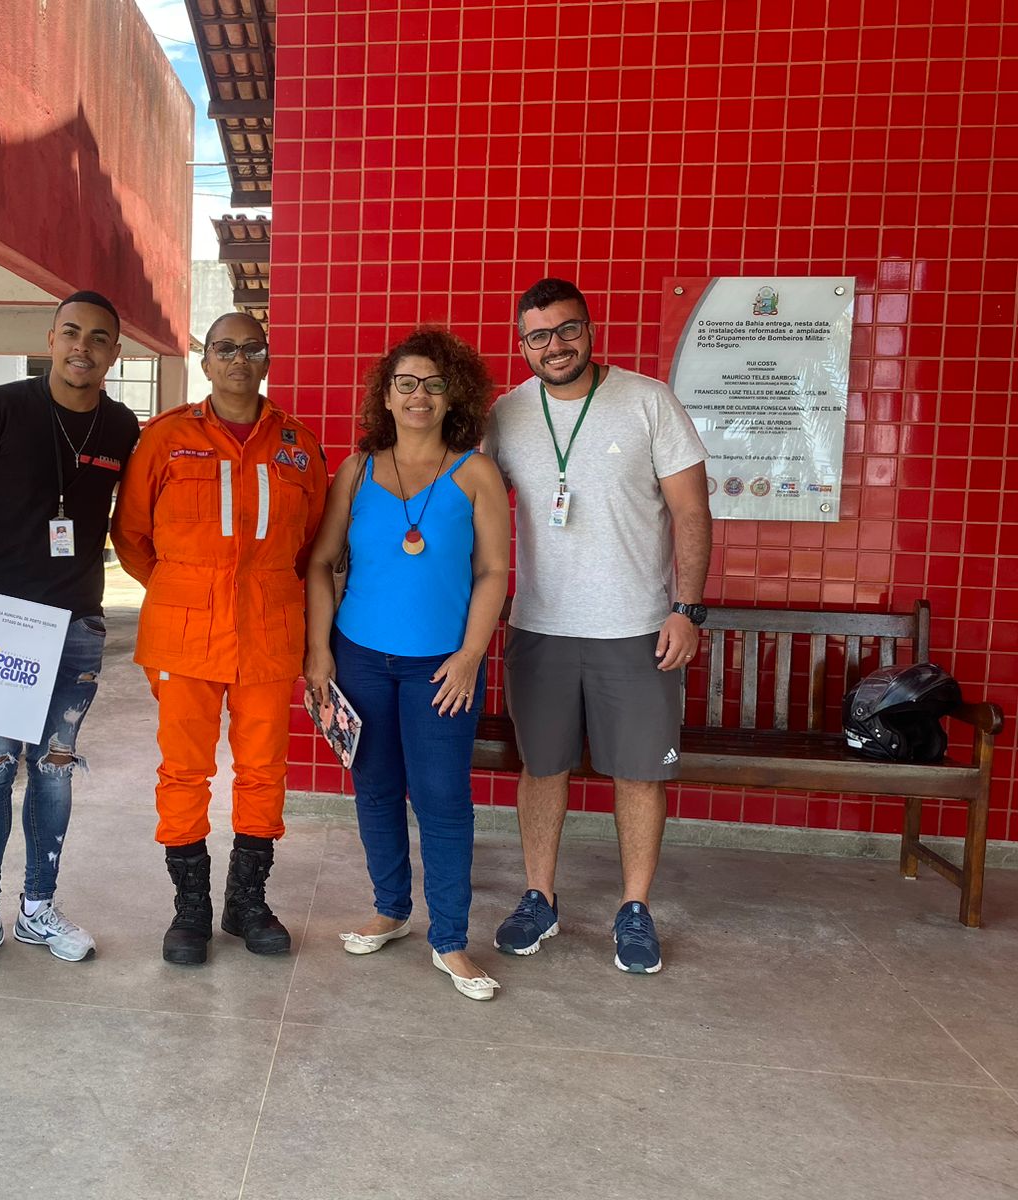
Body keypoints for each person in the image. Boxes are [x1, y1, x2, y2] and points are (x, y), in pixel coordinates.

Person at [485, 278, 711, 975]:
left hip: (637, 629)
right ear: (522, 345)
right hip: (539, 627)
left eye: (567, 329)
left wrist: (687, 609)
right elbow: (471, 506)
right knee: (541, 769)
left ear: (589, 329)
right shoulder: (505, 415)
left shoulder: (648, 401)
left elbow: (692, 511)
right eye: (539, 336)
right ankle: (539, 897)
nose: (555, 346)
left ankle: (634, 908)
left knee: (639, 775)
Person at [0, 291, 141, 974]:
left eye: (99, 338)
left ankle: (37, 907)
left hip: (77, 625)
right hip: (0, 624)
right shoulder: (1, 408)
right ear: (51, 339)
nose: (84, 347)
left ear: (115, 352)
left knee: (54, 769)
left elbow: (136, 521)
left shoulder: (121, 426)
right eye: (71, 332)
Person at [111, 313, 328, 965]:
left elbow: (311, 542)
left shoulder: (297, 444)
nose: (238, 359)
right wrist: (183, 588)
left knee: (263, 770)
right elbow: (131, 535)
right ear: (205, 362)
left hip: (269, 633)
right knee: (184, 770)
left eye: (251, 348)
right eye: (224, 348)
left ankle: (246, 902)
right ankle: (191, 908)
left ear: (267, 361)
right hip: (183, 637)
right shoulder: (166, 438)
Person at [304, 328, 510, 1002]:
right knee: (375, 789)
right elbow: (322, 563)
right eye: (406, 383)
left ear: (454, 396)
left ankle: (449, 938)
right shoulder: (356, 471)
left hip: (442, 668)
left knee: (443, 800)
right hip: (360, 658)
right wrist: (319, 650)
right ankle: (391, 908)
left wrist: (470, 656)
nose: (420, 395)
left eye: (434, 384)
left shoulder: (475, 473)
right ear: (386, 397)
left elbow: (493, 571)